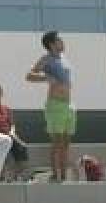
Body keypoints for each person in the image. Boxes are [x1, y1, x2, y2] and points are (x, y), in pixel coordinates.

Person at [27, 30, 74, 183]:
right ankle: (56, 175)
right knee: (57, 141)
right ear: (52, 44)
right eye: (59, 40)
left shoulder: (64, 58)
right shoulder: (46, 59)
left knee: (66, 143)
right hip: (55, 105)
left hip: (68, 105)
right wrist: (46, 77)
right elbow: (29, 75)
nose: (63, 43)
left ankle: (64, 175)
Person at [0, 83, 28, 182]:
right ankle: (2, 177)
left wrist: (13, 134)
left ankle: (14, 176)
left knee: (22, 147)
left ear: (1, 93)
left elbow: (12, 125)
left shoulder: (7, 109)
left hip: (10, 136)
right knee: (4, 151)